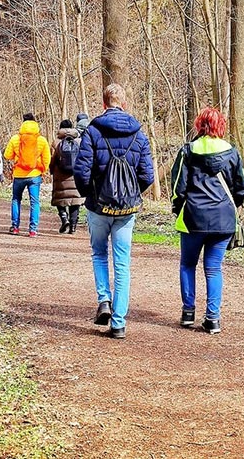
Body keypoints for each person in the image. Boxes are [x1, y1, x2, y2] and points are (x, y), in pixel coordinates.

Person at [74, 83, 154, 340]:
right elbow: (147, 175)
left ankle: (104, 300)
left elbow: (81, 170)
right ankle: (118, 323)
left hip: (98, 206)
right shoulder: (139, 134)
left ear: (104, 104)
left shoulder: (93, 131)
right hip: (126, 209)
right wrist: (130, 191)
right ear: (125, 103)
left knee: (99, 253)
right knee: (122, 263)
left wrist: (91, 194)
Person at [170, 107, 244, 334]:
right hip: (223, 219)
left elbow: (178, 188)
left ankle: (188, 313)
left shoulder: (188, 151)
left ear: (199, 125)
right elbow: (240, 188)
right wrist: (233, 206)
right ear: (220, 127)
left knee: (188, 265)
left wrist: (177, 208)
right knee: (213, 269)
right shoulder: (231, 152)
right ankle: (213, 319)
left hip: (193, 218)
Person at [4, 113, 51, 237]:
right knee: (34, 202)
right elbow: (47, 158)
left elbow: (7, 155)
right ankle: (33, 230)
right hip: (35, 175)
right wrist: (43, 170)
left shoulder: (15, 139)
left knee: (16, 200)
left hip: (19, 175)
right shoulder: (41, 140)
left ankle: (15, 227)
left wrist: (17, 156)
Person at [50, 119, 84, 234]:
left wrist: (51, 170)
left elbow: (53, 160)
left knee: (60, 199)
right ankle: (73, 226)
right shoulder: (80, 141)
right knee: (75, 200)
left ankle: (64, 218)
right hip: (76, 176)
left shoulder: (56, 142)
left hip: (60, 176)